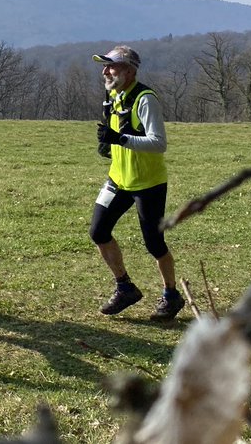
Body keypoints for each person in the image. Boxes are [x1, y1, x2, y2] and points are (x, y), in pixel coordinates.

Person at [90, 45, 184, 321]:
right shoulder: (112, 96)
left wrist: (120, 139)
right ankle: (125, 287)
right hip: (118, 180)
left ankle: (171, 295)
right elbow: (117, 135)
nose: (106, 71)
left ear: (129, 71)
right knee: (98, 231)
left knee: (154, 244)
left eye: (112, 66)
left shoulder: (145, 99)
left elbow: (159, 143)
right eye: (105, 66)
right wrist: (108, 146)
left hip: (148, 184)